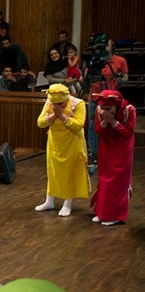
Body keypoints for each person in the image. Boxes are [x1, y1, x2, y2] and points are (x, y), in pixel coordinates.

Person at [35, 84, 89, 216]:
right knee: (53, 171)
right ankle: (49, 201)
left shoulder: (78, 103)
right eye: (55, 103)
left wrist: (62, 115)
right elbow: (40, 123)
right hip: (55, 143)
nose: (57, 105)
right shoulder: (49, 103)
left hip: (73, 143)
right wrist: (54, 115)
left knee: (70, 173)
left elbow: (79, 125)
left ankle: (67, 204)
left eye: (60, 103)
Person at [91, 90, 135, 226]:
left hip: (122, 149)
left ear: (116, 106)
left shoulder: (129, 110)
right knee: (104, 180)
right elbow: (98, 131)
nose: (104, 111)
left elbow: (128, 133)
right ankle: (102, 212)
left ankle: (115, 215)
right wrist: (105, 121)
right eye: (102, 108)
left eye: (108, 109)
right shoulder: (99, 110)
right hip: (106, 147)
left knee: (117, 182)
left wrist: (113, 121)